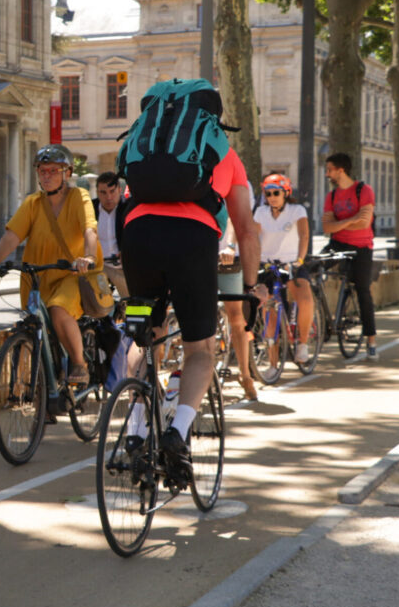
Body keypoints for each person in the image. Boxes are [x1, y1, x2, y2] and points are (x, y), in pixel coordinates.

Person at [120, 143, 265, 486]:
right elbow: (246, 230)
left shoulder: (147, 146)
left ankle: (136, 428)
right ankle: (177, 433)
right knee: (200, 348)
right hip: (191, 241)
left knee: (146, 332)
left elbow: (128, 198)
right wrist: (250, 286)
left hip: (137, 239)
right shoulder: (225, 152)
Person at [0, 144, 101, 385]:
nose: (47, 176)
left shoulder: (79, 197)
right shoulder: (33, 203)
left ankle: (79, 362)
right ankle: (43, 397)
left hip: (72, 273)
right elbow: (12, 236)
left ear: (67, 173)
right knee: (35, 330)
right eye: (43, 171)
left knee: (58, 310)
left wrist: (88, 257)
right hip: (37, 276)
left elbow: (89, 229)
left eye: (53, 171)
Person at [253, 173, 314, 366]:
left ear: (285, 193)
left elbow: (304, 236)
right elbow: (254, 237)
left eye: (276, 193)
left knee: (304, 298)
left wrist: (299, 260)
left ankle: (303, 344)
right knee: (269, 311)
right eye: (268, 193)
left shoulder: (297, 210)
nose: (271, 197)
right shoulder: (261, 213)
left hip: (291, 263)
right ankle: (272, 364)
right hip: (268, 265)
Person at [322, 152, 378, 360]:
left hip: (361, 247)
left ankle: (371, 340)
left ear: (340, 170)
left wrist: (340, 223)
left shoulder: (364, 190)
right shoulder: (332, 196)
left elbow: (364, 223)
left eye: (329, 170)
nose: (327, 174)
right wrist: (350, 220)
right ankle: (320, 321)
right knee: (310, 270)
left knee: (363, 290)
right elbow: (327, 226)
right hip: (337, 244)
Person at [217, 183, 259, 400]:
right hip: (199, 258)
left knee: (236, 316)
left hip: (227, 261)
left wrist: (230, 246)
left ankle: (245, 374)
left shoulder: (232, 182)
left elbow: (236, 217)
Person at [91, 172, 130, 297]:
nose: (108, 197)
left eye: (112, 191)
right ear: (97, 192)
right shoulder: (90, 209)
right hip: (97, 268)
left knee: (131, 303)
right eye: (103, 192)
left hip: (122, 269)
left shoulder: (129, 208)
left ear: (120, 190)